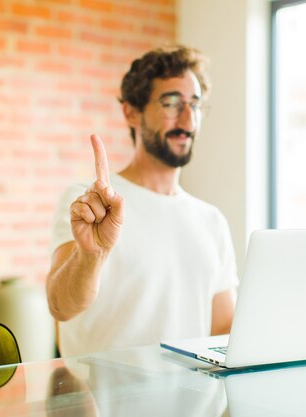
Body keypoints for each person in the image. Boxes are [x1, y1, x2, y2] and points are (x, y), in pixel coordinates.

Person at [47, 45, 239, 357]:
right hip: (105, 404)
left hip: (194, 406)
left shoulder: (211, 220)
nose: (188, 118)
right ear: (132, 112)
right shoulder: (89, 204)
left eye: (195, 104)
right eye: (171, 103)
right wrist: (92, 255)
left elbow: (222, 329)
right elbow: (61, 307)